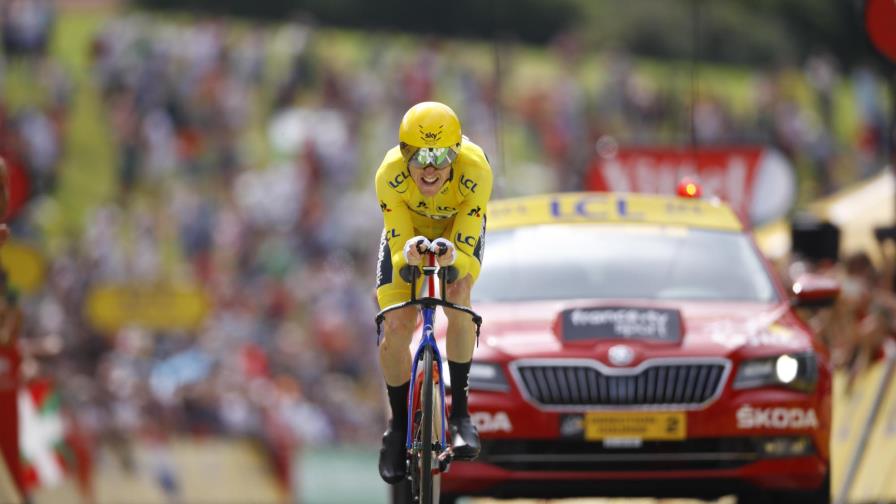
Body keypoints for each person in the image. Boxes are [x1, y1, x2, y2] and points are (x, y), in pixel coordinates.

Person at [374, 101, 492, 484]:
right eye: (420, 156)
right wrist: (406, 253)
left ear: (455, 153)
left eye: (440, 156)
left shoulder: (476, 170)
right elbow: (398, 240)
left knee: (458, 296)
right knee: (396, 327)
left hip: (458, 229)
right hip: (408, 232)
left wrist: (453, 258)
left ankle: (460, 414)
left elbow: (468, 235)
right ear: (404, 154)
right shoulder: (389, 175)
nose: (429, 168)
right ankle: (397, 428)